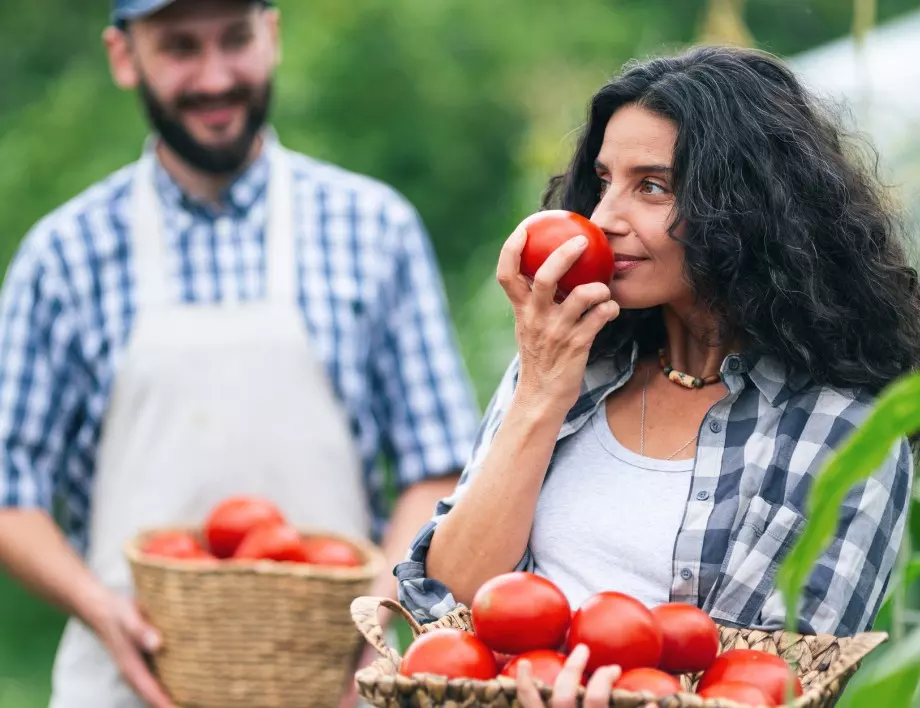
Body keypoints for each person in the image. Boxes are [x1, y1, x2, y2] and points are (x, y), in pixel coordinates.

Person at [396, 45, 919, 705]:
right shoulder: (572, 367)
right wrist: (541, 390)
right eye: (605, 179)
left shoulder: (841, 434)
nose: (606, 217)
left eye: (652, 185)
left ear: (746, 206)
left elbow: (763, 678)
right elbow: (450, 601)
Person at [0, 1, 480, 707]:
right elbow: (11, 495)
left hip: (335, 685)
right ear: (123, 56)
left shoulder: (374, 230)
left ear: (273, 35)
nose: (216, 76)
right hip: (127, 684)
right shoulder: (64, 256)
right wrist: (101, 608)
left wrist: (373, 619)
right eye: (180, 48)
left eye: (235, 40)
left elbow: (437, 463)